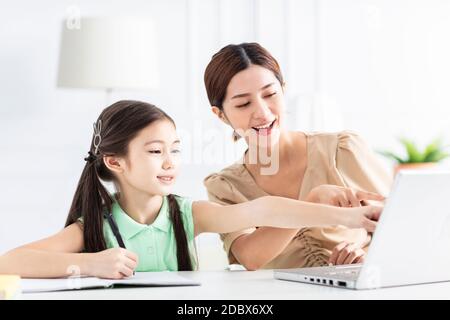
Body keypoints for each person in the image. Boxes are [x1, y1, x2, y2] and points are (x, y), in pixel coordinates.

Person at [0, 100, 382, 279]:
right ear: (115, 162)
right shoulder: (94, 229)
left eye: (175, 150)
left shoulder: (187, 214)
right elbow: (8, 263)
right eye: (154, 152)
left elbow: (263, 210)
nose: (169, 162)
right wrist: (89, 263)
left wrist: (348, 216)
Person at [203, 43, 392, 270]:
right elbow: (250, 257)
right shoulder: (226, 186)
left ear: (283, 90)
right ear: (221, 115)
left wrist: (365, 259)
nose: (263, 113)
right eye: (244, 104)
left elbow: (404, 224)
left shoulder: (341, 151)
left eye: (270, 94)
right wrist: (311, 203)